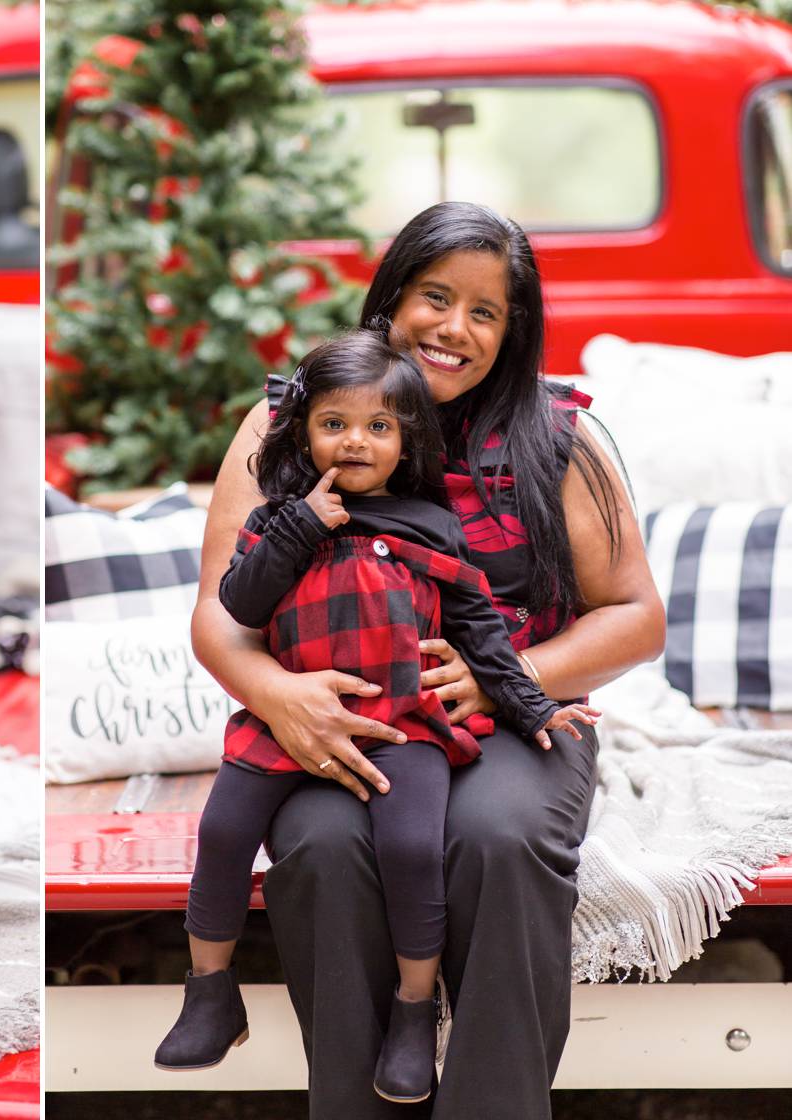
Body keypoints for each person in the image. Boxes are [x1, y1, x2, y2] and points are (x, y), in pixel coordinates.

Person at [191, 202, 664, 1119]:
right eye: (435, 297)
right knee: (324, 847)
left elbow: (637, 617)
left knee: (498, 838)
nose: (454, 328)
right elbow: (220, 613)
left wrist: (506, 676)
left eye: (485, 313)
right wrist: (278, 695)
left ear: (511, 333)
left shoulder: (555, 437)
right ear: (391, 300)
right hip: (338, 718)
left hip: (506, 720)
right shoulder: (289, 424)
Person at [154, 329, 596, 1102]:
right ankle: (209, 993)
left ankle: (411, 1012)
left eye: (379, 428)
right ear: (305, 431)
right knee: (224, 831)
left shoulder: (432, 528)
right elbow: (236, 605)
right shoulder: (284, 518)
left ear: (405, 442)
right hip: (288, 722)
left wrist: (533, 707)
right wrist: (298, 528)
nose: (355, 441)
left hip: (406, 724)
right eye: (334, 424)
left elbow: (484, 636)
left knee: (413, 849)